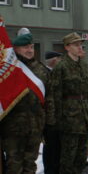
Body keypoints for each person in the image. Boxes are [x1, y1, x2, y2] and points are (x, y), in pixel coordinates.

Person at [0, 28, 53, 173]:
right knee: (14, 166)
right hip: (13, 129)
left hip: (35, 128)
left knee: (30, 165)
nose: (30, 50)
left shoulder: (41, 70)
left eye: (31, 47)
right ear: (15, 49)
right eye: (25, 47)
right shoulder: (8, 70)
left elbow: (49, 98)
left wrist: (50, 124)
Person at [50, 32, 88, 174]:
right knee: (68, 157)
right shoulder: (61, 67)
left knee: (82, 154)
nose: (79, 47)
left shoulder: (84, 66)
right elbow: (55, 95)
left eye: (80, 44)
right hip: (69, 118)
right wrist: (57, 119)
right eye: (76, 44)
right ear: (67, 47)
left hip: (84, 116)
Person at [43, 51, 62, 174]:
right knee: (50, 146)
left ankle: (56, 168)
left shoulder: (55, 73)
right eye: (59, 59)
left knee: (57, 146)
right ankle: (50, 170)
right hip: (48, 117)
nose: (60, 62)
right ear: (54, 60)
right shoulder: (45, 74)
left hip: (58, 115)